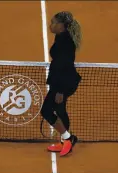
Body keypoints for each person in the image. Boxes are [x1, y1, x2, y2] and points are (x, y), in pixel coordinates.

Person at [41, 11, 82, 157]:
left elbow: (63, 66)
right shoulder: (60, 37)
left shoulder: (65, 42)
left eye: (53, 23)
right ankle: (66, 141)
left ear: (61, 26)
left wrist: (60, 90)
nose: (50, 25)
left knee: (46, 110)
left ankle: (68, 139)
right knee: (59, 109)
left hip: (64, 83)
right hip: (61, 81)